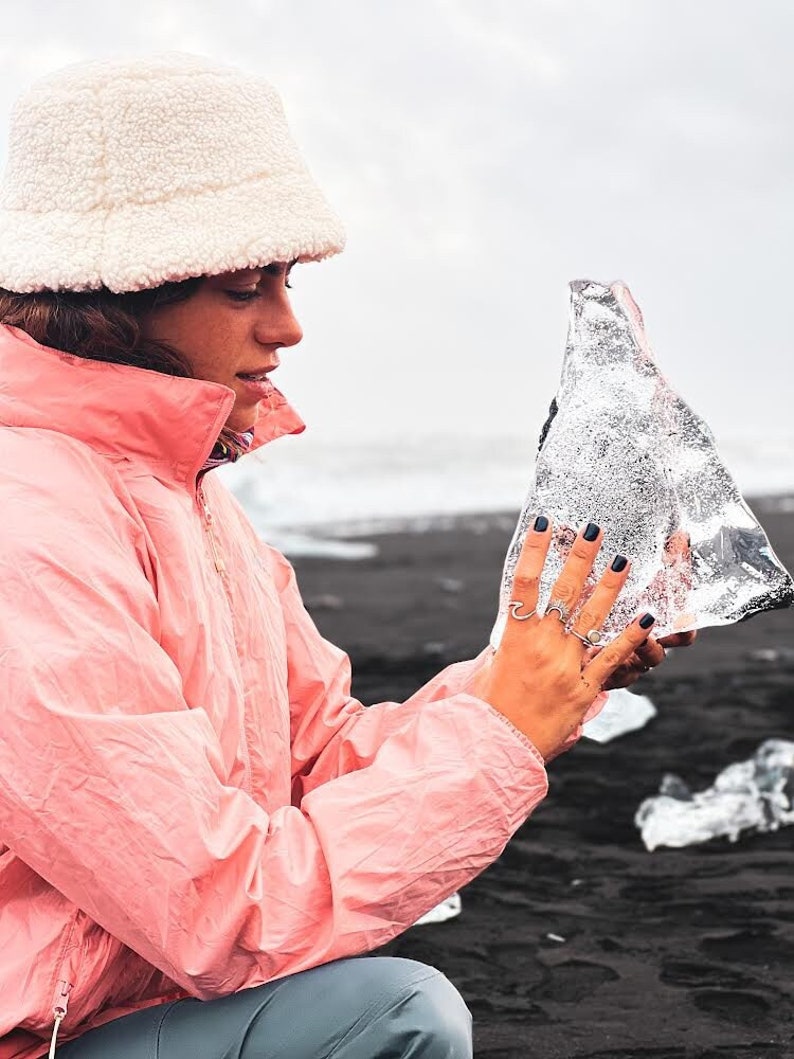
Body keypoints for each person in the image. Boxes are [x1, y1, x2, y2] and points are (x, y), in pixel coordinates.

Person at [0, 55, 693, 1059]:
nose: (286, 327)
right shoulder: (31, 529)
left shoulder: (181, 499)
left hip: (135, 1006)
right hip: (43, 1034)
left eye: (284, 281)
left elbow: (320, 767)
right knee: (393, 1017)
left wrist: (523, 692)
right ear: (114, 301)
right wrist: (498, 738)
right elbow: (221, 912)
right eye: (245, 287)